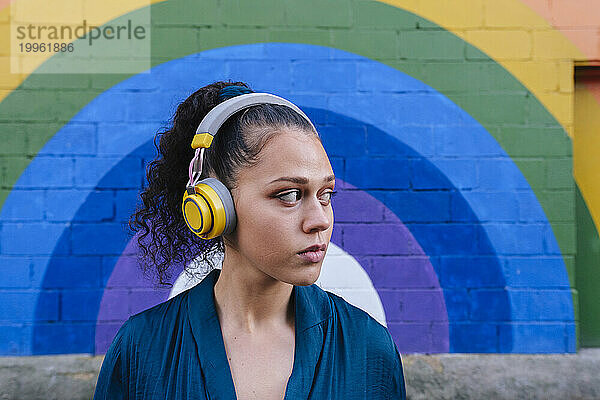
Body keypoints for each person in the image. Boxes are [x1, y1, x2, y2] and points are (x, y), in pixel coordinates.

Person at [93, 81, 406, 399]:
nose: (320, 221)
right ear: (214, 206)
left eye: (326, 195)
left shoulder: (368, 349)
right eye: (289, 195)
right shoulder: (141, 350)